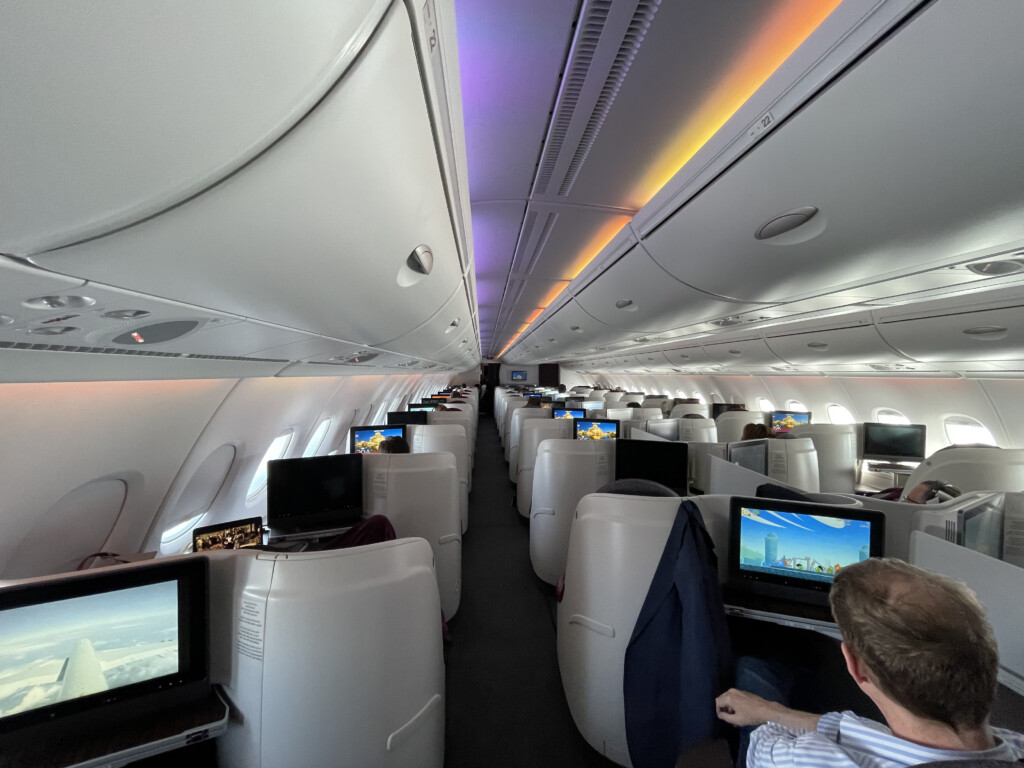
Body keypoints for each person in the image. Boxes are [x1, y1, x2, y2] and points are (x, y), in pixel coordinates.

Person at [715, 558, 1024, 767]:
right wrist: (772, 710)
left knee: (753, 670)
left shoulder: (798, 757)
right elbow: (862, 732)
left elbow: (766, 742)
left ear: (855, 666)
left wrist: (766, 717)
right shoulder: (1015, 744)